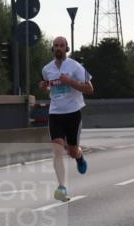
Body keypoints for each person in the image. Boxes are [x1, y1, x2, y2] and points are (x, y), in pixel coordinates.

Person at [40, 36, 94, 202]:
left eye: (61, 46)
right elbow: (49, 88)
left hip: (73, 113)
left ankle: (79, 156)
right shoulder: (47, 69)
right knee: (57, 150)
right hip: (55, 114)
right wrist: (44, 87)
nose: (58, 48)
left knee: (71, 151)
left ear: (66, 48)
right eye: (56, 46)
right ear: (52, 48)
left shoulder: (75, 66)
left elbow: (90, 89)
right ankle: (62, 187)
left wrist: (70, 81)